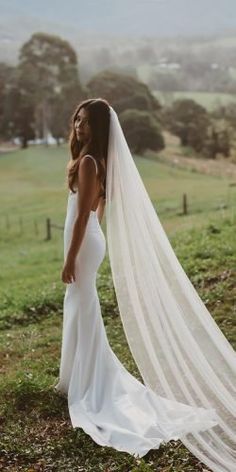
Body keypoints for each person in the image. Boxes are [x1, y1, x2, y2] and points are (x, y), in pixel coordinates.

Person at [54, 98, 235, 470]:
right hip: (89, 241)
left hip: (83, 244)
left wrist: (72, 257)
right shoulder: (93, 160)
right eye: (76, 120)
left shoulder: (89, 163)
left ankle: (86, 380)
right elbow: (96, 209)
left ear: (99, 127)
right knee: (79, 305)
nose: (78, 126)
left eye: (85, 122)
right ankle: (76, 375)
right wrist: (88, 240)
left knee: (82, 306)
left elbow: (83, 219)